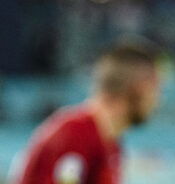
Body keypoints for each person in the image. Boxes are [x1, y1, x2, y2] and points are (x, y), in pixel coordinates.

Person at [12, 39, 162, 184]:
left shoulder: (108, 141)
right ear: (139, 88)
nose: (157, 101)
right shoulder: (75, 135)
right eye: (155, 90)